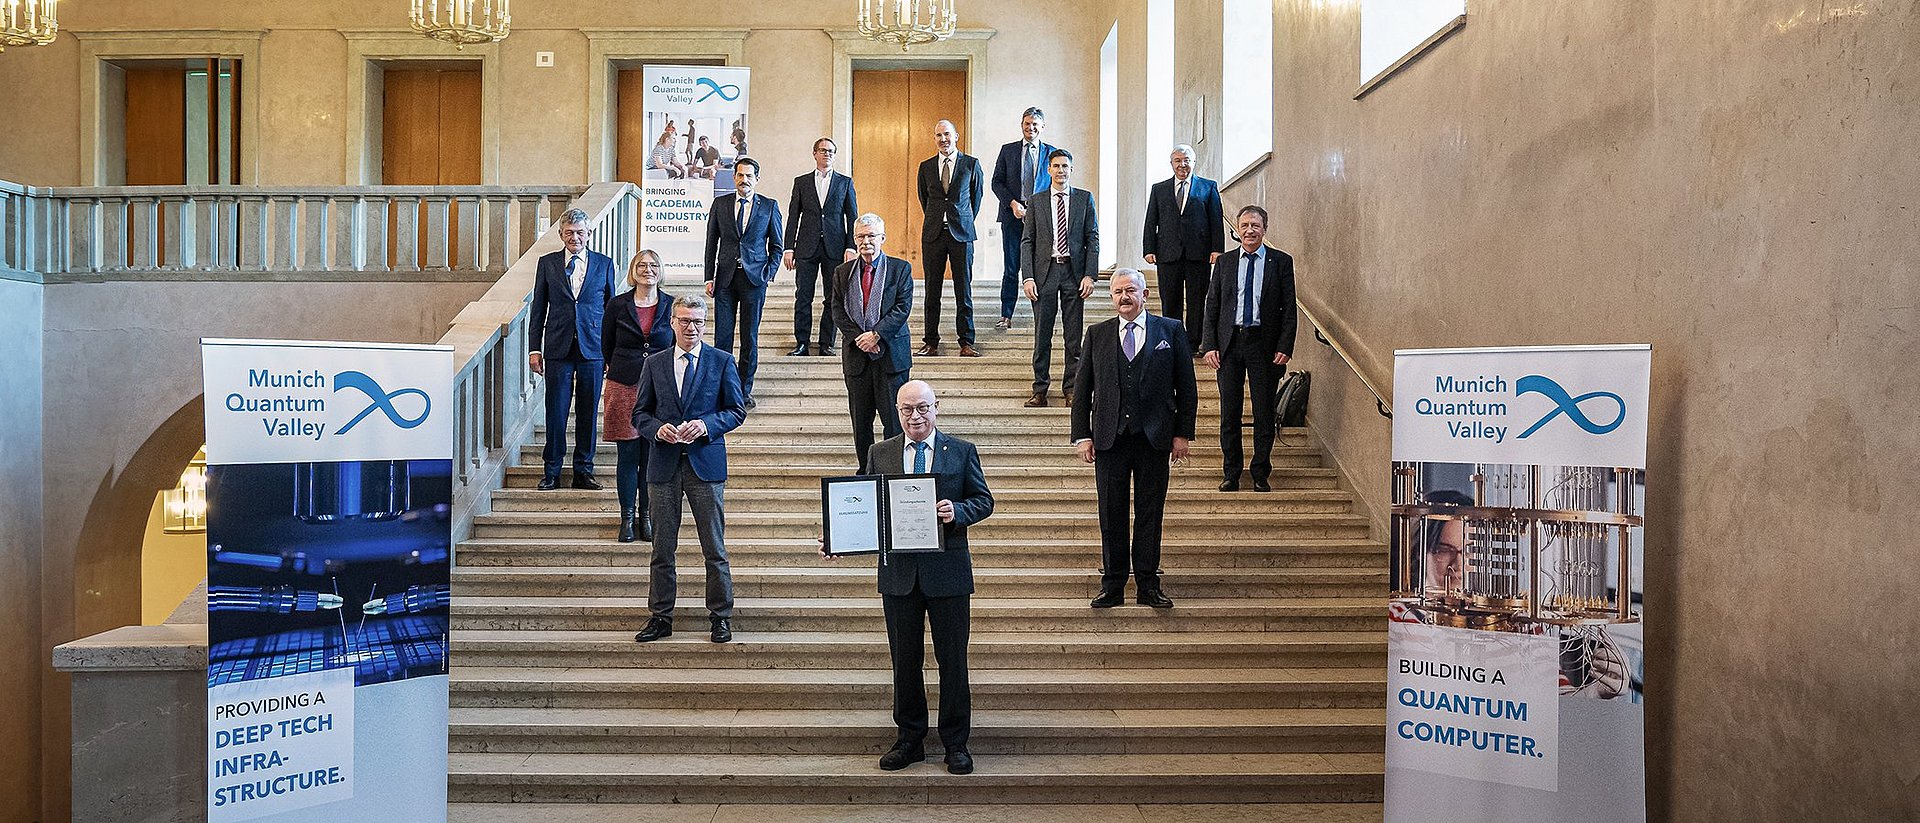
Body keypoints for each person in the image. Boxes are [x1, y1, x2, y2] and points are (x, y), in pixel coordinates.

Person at [863, 380, 994, 776]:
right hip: (899, 574)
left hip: (948, 572)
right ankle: (910, 739)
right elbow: (865, 504)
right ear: (897, 410)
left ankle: (956, 743)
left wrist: (958, 511)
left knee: (952, 660)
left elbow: (983, 500)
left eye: (922, 408)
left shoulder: (962, 451)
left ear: (936, 408)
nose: (915, 417)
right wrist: (838, 537)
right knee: (904, 661)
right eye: (907, 409)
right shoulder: (880, 452)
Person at [1071, 269, 1196, 609]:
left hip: (1154, 438)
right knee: (1110, 513)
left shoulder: (1170, 330)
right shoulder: (1097, 334)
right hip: (1110, 438)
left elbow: (1186, 386)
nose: (1123, 297)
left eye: (1130, 290)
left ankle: (1148, 584)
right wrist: (1083, 435)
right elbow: (1083, 390)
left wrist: (1182, 433)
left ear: (1145, 294)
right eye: (1116, 292)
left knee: (1149, 512)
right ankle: (1112, 584)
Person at [631, 295, 748, 644]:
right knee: (662, 549)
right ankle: (661, 617)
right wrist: (656, 430)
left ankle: (721, 616)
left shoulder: (722, 361)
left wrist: (706, 425)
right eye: (684, 321)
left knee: (714, 547)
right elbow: (640, 414)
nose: (691, 328)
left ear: (705, 323)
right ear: (672, 322)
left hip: (705, 465)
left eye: (697, 321)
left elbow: (736, 410)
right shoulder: (654, 363)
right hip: (664, 465)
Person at [1200, 205, 1296, 493]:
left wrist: (1285, 346)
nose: (1250, 230)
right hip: (1229, 345)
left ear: (1265, 228)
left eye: (1255, 225)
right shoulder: (1225, 263)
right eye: (1244, 225)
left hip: (1264, 346)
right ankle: (1231, 473)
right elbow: (1212, 305)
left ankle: (1259, 473)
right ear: (1237, 229)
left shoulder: (1280, 262)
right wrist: (1209, 345)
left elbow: (1289, 309)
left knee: (1264, 412)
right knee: (1229, 413)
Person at [528, 208, 617, 491]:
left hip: (593, 348)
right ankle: (552, 471)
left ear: (588, 234)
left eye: (580, 232)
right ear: (561, 235)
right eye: (569, 233)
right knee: (556, 411)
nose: (574, 237)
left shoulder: (604, 264)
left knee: (588, 412)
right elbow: (538, 308)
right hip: (557, 347)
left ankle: (583, 471)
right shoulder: (548, 263)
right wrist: (534, 349)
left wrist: (610, 352)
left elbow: (611, 310)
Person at [601, 249, 676, 543]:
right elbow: (606, 344)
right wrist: (623, 365)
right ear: (634, 270)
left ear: (660, 270)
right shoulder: (618, 304)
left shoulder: (670, 304)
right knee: (627, 456)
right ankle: (627, 519)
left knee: (650, 457)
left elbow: (674, 343)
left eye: (653, 265)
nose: (648, 270)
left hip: (659, 389)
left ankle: (646, 518)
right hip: (623, 384)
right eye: (642, 265)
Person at [831, 214, 914, 474]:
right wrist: (860, 338)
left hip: (891, 358)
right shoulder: (842, 272)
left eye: (871, 236)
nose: (866, 241)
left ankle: (893, 471)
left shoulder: (901, 269)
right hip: (857, 360)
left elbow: (902, 308)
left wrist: (876, 334)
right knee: (861, 423)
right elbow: (837, 310)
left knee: (894, 421)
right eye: (860, 237)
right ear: (855, 240)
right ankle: (866, 471)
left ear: (882, 238)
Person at [703, 156, 783, 410]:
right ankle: (721, 390)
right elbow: (711, 243)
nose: (744, 179)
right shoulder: (720, 204)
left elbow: (777, 246)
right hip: (725, 279)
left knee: (749, 338)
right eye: (740, 175)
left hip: (753, 281)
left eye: (749, 176)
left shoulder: (769, 206)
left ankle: (743, 391)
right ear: (734, 177)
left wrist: (767, 274)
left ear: (756, 179)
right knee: (722, 338)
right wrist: (709, 276)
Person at [1020, 148, 1097, 408]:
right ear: (1048, 170)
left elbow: (1092, 238)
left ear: (1071, 169)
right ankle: (1040, 389)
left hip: (1074, 275)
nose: (1061, 170)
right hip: (1045, 274)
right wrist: (1028, 277)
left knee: (1073, 337)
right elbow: (1027, 241)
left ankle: (1072, 389)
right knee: (1042, 335)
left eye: (1065, 166)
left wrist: (1090, 274)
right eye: (1056, 166)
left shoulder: (1085, 199)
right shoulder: (1036, 201)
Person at [1142, 144, 1225, 352]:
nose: (1182, 164)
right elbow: (1151, 221)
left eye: (1186, 160)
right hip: (1167, 254)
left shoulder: (1208, 187)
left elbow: (1216, 221)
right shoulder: (1159, 189)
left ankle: (1193, 342)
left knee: (1198, 300)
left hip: (1199, 254)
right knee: (1170, 299)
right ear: (1171, 164)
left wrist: (1217, 249)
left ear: (1193, 163)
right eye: (1178, 160)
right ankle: (1172, 340)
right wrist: (1148, 249)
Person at [914, 119, 986, 358]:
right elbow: (924, 199)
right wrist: (940, 218)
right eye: (938, 135)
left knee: (963, 290)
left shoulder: (971, 164)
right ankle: (930, 342)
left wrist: (961, 218)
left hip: (962, 234)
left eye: (947, 134)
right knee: (931, 290)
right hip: (933, 234)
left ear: (956, 136)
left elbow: (976, 199)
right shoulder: (925, 167)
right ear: (934, 138)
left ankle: (966, 342)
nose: (943, 139)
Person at [784, 137, 858, 357]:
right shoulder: (801, 182)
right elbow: (793, 217)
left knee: (832, 297)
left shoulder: (845, 182)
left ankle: (827, 343)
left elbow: (852, 216)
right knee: (803, 296)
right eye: (823, 150)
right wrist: (789, 247)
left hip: (834, 247)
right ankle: (802, 343)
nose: (827, 154)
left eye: (831, 151)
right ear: (814, 153)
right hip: (806, 247)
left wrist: (851, 246)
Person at [989, 107, 1059, 331]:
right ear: (1022, 125)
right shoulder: (1007, 151)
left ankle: (1040, 316)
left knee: (1040, 268)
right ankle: (1006, 315)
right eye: (1027, 124)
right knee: (1011, 267)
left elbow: (1056, 184)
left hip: (1040, 219)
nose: (1031, 128)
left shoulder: (1052, 153)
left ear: (1042, 127)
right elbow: (996, 182)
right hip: (1012, 216)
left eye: (1035, 124)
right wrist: (1012, 204)